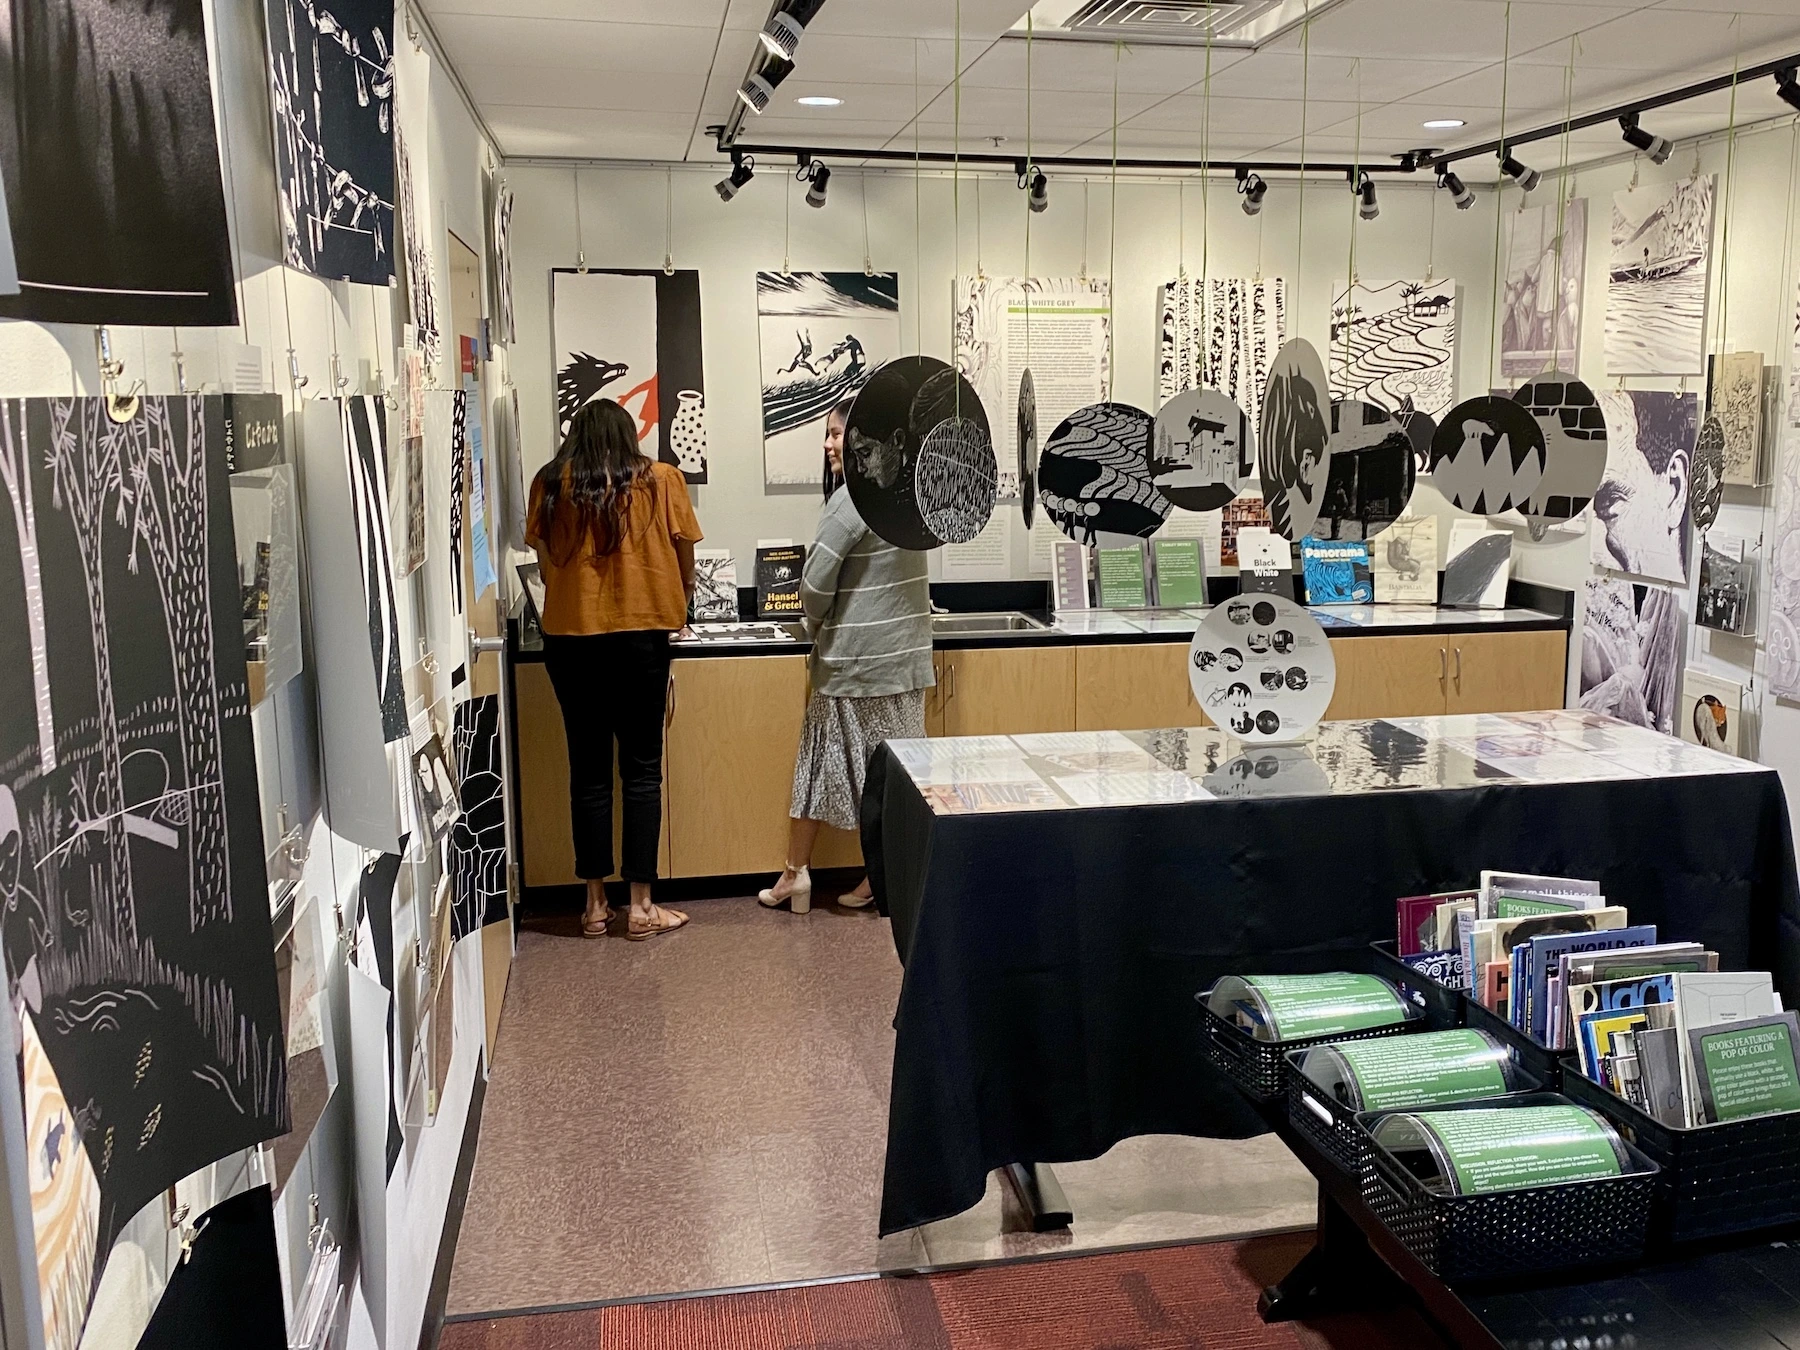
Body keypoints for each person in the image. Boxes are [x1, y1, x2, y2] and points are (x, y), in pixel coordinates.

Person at [526, 399, 702, 941]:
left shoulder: (551, 484)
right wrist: (682, 597)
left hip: (571, 642)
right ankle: (643, 907)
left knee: (589, 771)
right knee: (643, 769)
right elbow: (685, 559)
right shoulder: (663, 480)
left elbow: (543, 564)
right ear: (629, 436)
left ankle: (595, 905)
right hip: (643, 638)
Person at [760, 398, 933, 914]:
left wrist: (813, 627)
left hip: (853, 664)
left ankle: (804, 876)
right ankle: (869, 875)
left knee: (821, 772)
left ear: (867, 444)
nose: (830, 444)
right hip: (903, 662)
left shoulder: (849, 504)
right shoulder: (907, 499)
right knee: (897, 779)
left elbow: (813, 585)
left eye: (838, 435)